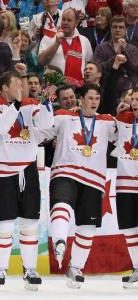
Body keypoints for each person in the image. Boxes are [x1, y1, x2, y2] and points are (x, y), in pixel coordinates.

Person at [0, 72, 54, 289]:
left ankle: (30, 269)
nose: (22, 88)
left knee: (30, 223)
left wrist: (46, 102)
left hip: (27, 169)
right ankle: (0, 269)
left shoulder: (30, 103)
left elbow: (46, 125)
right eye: (17, 85)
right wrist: (17, 105)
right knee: (4, 225)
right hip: (0, 172)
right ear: (5, 87)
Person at [43, 85, 117, 287]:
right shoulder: (63, 116)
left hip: (94, 179)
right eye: (90, 98)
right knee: (62, 205)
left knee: (87, 226)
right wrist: (43, 105)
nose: (94, 102)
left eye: (97, 98)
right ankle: (60, 240)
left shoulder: (107, 121)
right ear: (81, 100)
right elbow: (41, 132)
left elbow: (125, 136)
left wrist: (126, 114)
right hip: (65, 172)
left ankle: (75, 267)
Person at [115, 89, 138, 287]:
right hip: (124, 185)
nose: (135, 102)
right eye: (134, 99)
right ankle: (137, 267)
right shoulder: (123, 119)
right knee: (129, 229)